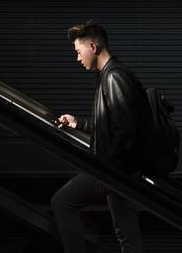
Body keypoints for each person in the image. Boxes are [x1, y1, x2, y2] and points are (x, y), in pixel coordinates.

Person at [51, 20, 145, 253]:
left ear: (93, 47)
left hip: (116, 168)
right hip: (122, 167)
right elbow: (111, 125)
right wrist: (78, 123)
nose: (77, 58)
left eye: (78, 51)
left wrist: (107, 172)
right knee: (126, 232)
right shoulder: (111, 77)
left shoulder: (114, 78)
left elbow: (126, 131)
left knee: (62, 202)